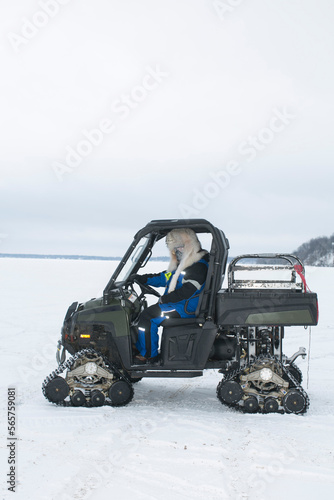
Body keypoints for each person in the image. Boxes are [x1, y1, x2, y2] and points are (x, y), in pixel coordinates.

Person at [133, 228, 209, 364]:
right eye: (174, 249)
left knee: (149, 316)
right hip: (181, 304)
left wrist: (165, 299)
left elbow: (188, 290)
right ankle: (141, 346)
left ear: (189, 246)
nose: (176, 252)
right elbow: (166, 277)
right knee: (147, 313)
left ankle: (149, 355)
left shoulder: (198, 266)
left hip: (186, 308)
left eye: (179, 248)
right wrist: (143, 279)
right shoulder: (186, 264)